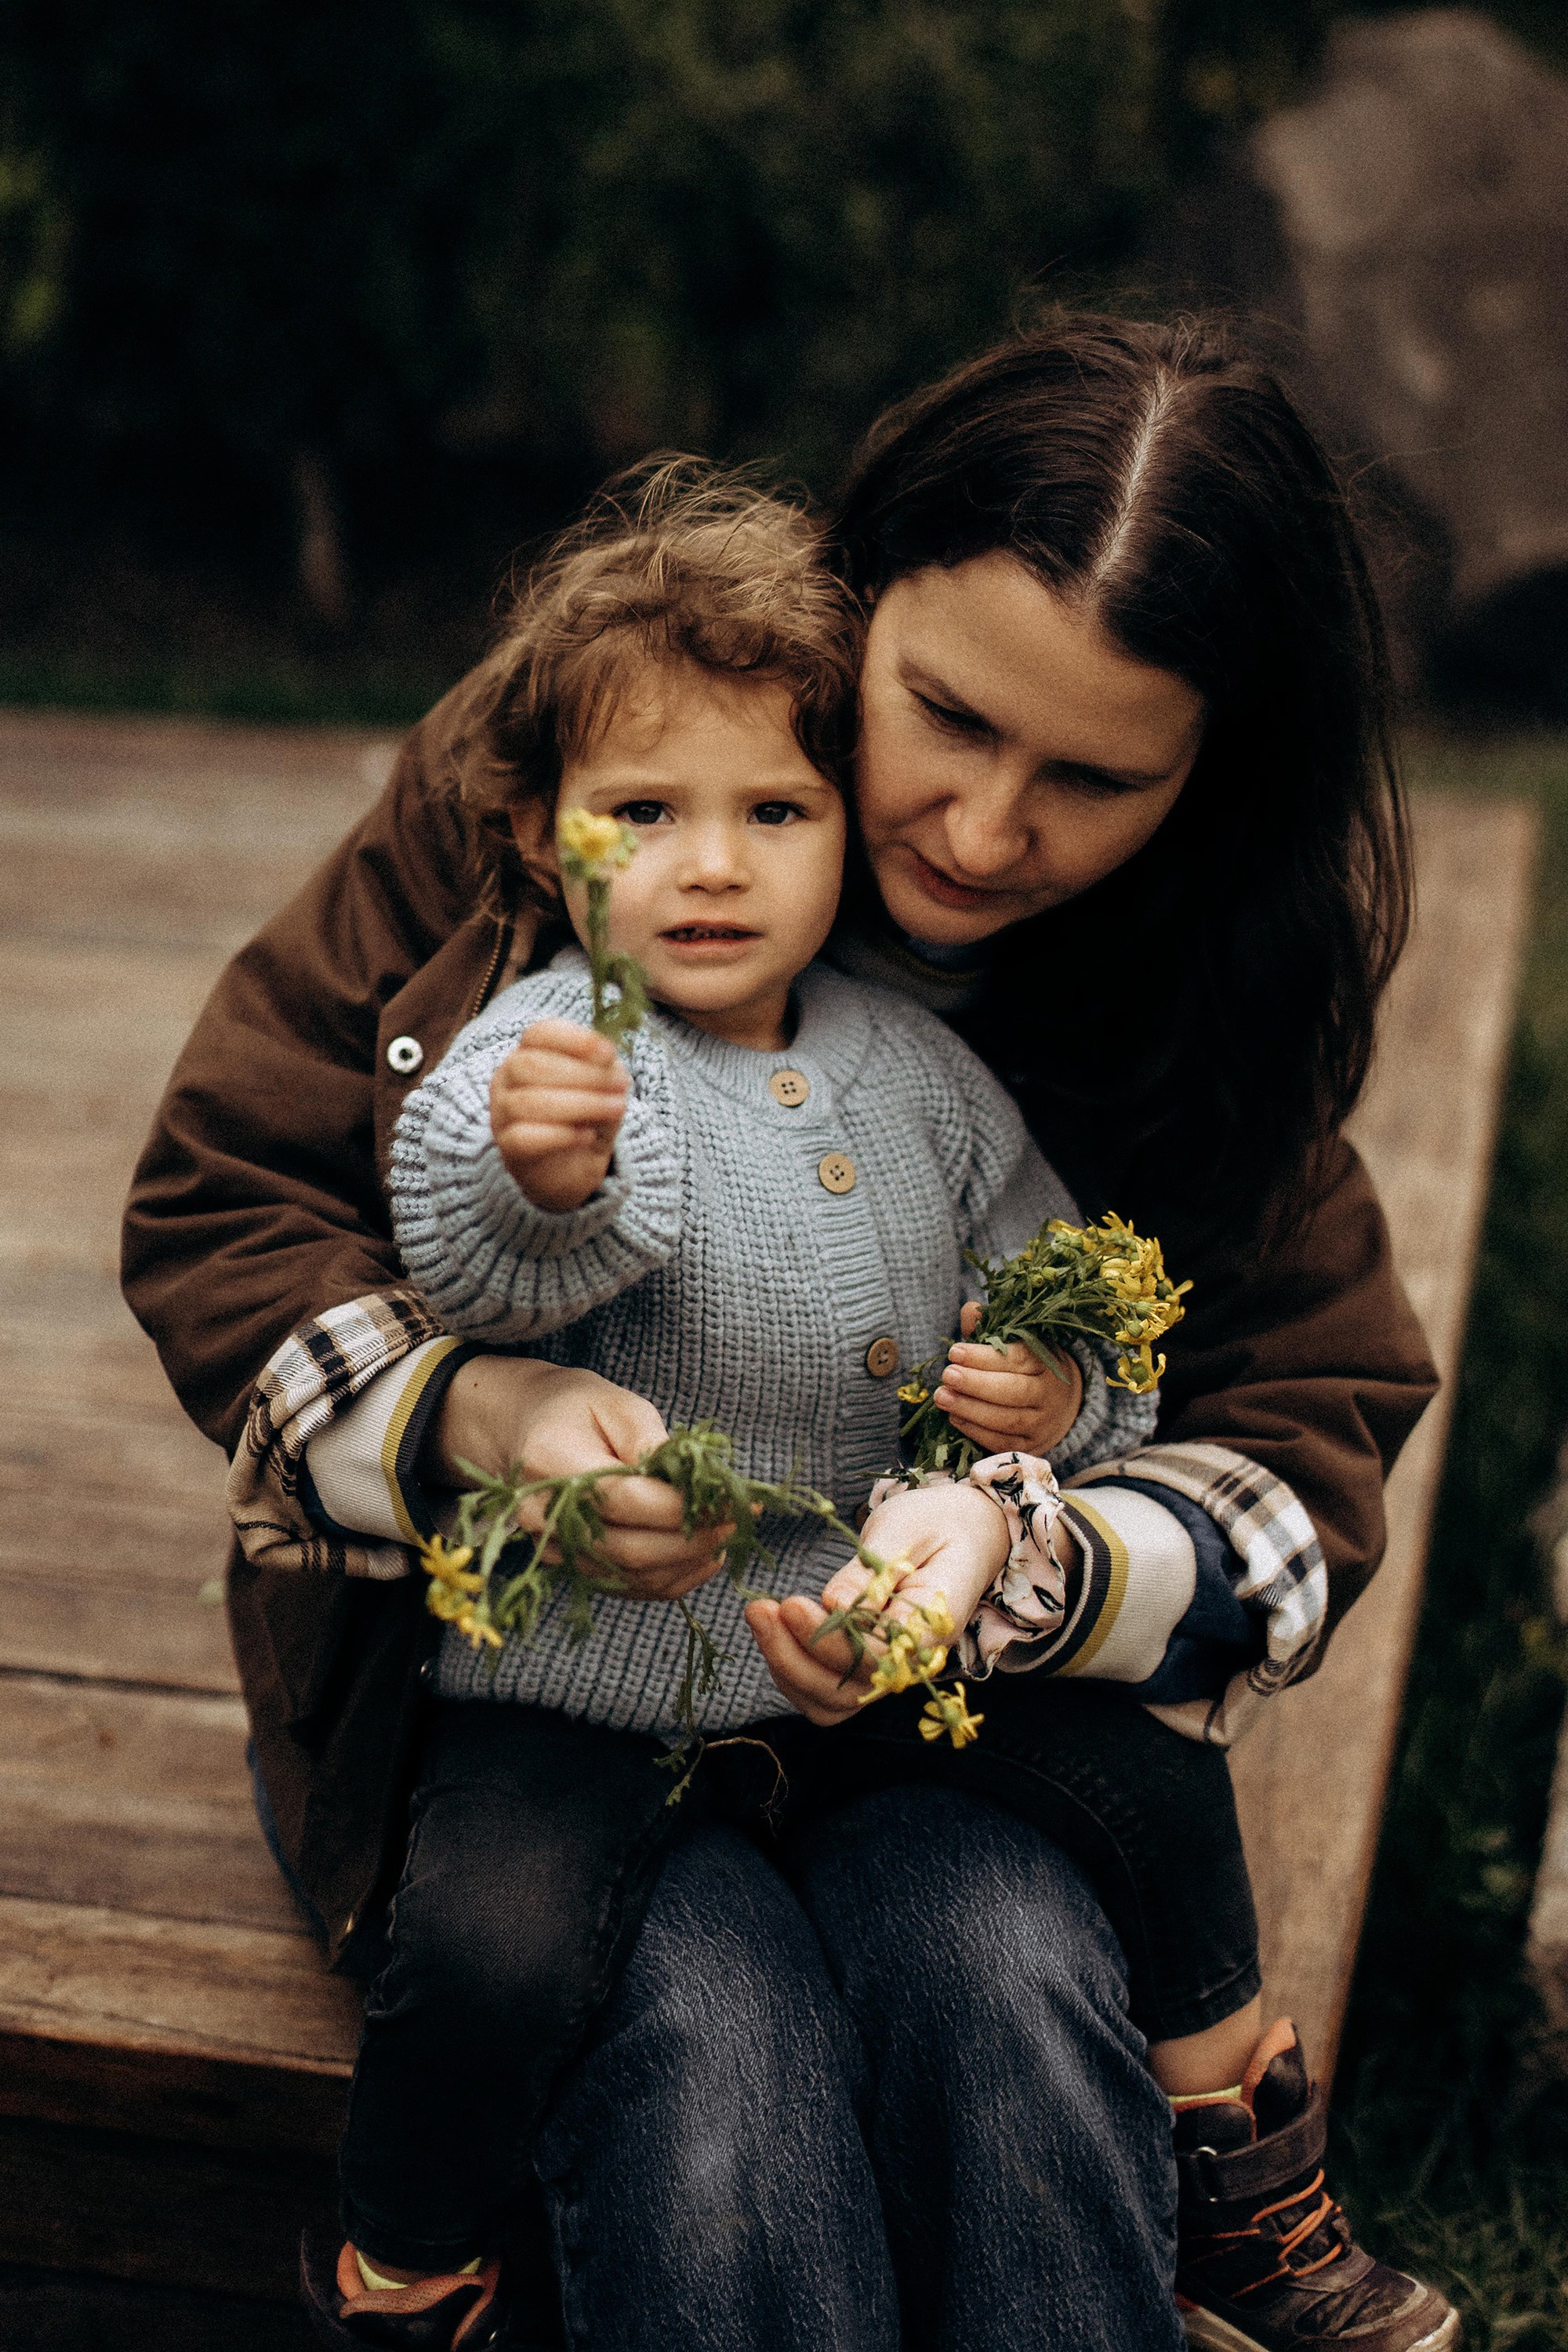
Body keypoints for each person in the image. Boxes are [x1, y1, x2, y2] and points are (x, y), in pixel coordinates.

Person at [122, 315, 1457, 2352]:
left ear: (1208, 780)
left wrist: (1041, 1548)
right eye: (938, 717)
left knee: (1004, 1989)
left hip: (960, 1721)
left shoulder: (1206, 975)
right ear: (858, 593)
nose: (986, 833)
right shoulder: (602, 755)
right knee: (714, 2070)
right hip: (537, 1706)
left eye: (1094, 779)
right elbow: (232, 1192)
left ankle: (1224, 2206)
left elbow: (1310, 1404)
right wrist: (470, 1416)